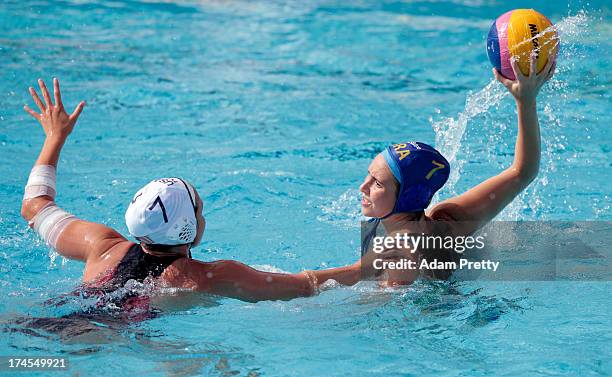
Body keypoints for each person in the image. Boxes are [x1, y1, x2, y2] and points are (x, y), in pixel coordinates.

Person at [21, 78, 360, 308]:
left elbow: (35, 207)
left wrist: (55, 137)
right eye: (198, 210)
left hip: (49, 321)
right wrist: (368, 266)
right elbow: (303, 286)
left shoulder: (102, 246)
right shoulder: (207, 277)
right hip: (101, 343)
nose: (203, 215)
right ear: (188, 227)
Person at [358, 55, 556, 285]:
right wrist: (526, 100)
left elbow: (523, 172)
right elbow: (522, 173)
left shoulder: (427, 238)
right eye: (369, 176)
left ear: (406, 198)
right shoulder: (447, 218)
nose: (363, 186)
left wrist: (527, 101)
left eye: (378, 183)